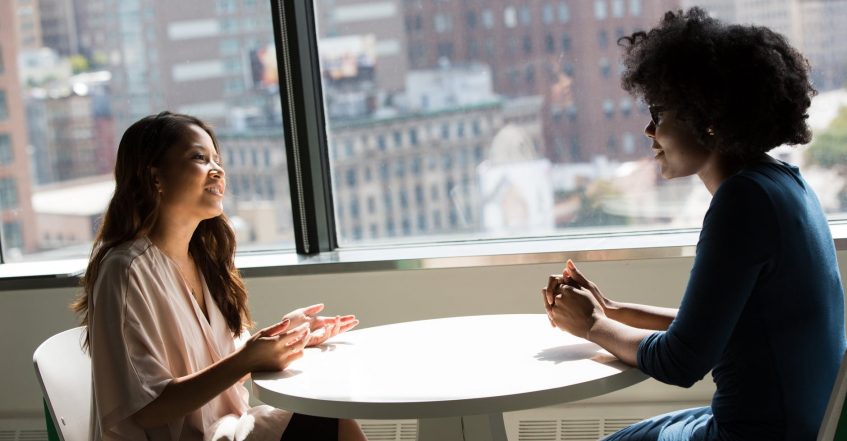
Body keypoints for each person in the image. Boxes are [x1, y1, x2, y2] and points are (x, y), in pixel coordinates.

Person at [542, 8, 846, 441]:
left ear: (709, 120)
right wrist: (612, 310)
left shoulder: (742, 203)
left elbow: (682, 362)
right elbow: (716, 327)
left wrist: (592, 326)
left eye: (659, 111)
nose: (649, 130)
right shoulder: (784, 184)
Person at [71, 111, 367, 441]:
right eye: (199, 157)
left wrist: (285, 337)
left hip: (222, 427)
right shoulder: (125, 271)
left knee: (333, 416)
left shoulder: (204, 259)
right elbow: (146, 408)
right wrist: (245, 361)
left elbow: (215, 360)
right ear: (155, 176)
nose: (218, 169)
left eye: (217, 158)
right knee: (333, 424)